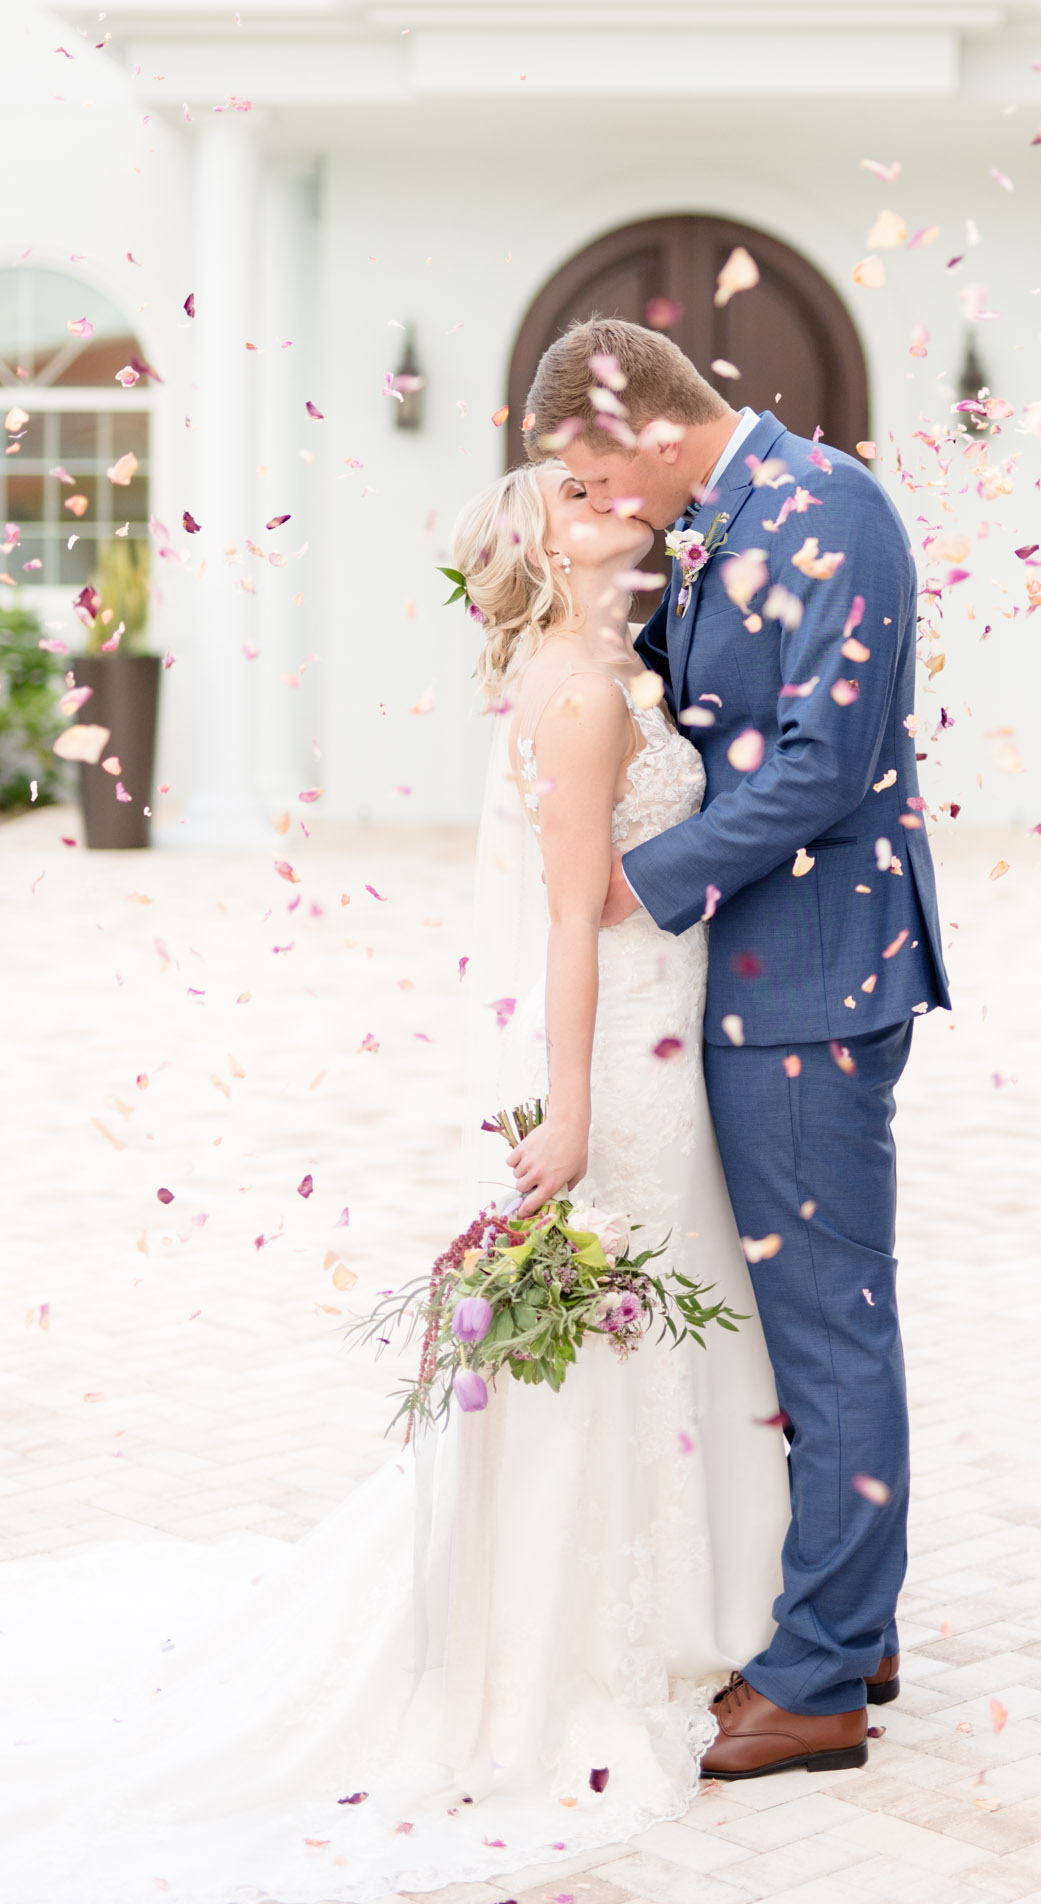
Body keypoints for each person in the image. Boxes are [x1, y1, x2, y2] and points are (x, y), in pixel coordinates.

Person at [0, 459, 791, 1900]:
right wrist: (569, 1110)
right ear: (545, 549)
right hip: (619, 1049)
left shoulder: (615, 663)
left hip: (658, 1024)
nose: (620, 496)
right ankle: (587, 1631)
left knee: (658, 1326)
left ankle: (681, 1601)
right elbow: (568, 919)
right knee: (622, 1328)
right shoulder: (576, 690)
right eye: (581, 493)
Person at [525, 316, 950, 1779]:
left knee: (828, 1326)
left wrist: (628, 889)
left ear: (642, 426)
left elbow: (828, 767)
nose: (607, 509)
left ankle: (825, 1678)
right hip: (742, 979)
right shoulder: (715, 524)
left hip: (818, 984)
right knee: (786, 1328)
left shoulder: (830, 509)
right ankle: (853, 1609)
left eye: (595, 476)